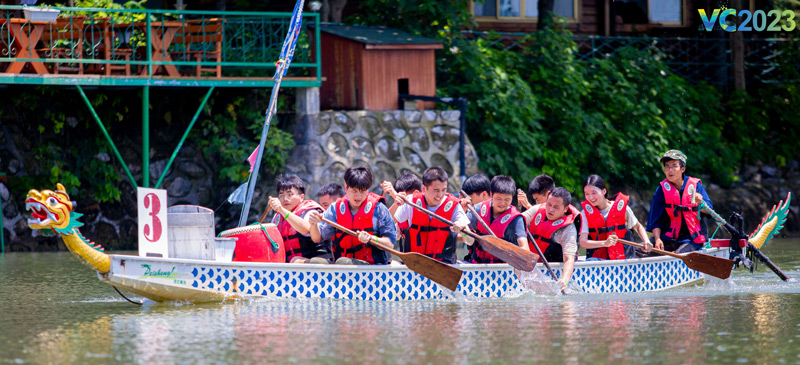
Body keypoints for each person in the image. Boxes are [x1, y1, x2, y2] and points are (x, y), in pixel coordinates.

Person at [309, 166, 397, 265]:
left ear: (368, 189)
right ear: (346, 187)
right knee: (315, 262)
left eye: (362, 191)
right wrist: (313, 224)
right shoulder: (335, 209)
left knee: (343, 262)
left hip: (372, 268)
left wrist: (372, 238)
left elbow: (389, 244)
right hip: (343, 265)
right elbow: (317, 238)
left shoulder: (379, 209)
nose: (358, 196)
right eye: (354, 191)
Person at [391, 167, 469, 263]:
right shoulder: (411, 201)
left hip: (443, 266)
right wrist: (395, 205)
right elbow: (388, 224)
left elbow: (470, 241)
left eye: (444, 190)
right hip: (414, 265)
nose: (440, 195)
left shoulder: (454, 206)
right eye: (436, 190)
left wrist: (463, 230)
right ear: (423, 188)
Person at [646, 149, 713, 253]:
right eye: (667, 166)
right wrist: (657, 239)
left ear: (682, 169)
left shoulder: (696, 186)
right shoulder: (661, 189)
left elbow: (710, 211)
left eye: (674, 166)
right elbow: (655, 220)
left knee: (680, 253)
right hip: (667, 239)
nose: (670, 170)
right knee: (643, 249)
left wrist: (700, 202)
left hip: (691, 240)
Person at [578, 174, 652, 261]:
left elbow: (638, 227)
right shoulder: (585, 213)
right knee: (590, 261)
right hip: (599, 261)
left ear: (604, 191)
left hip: (624, 259)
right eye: (587, 194)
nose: (590, 197)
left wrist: (646, 240)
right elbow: (583, 243)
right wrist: (604, 243)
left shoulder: (621, 208)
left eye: (594, 193)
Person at [267, 175, 333, 264]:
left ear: (301, 197)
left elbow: (306, 229)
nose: (285, 199)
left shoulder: (310, 210)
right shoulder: (277, 216)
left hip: (317, 261)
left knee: (296, 261)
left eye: (290, 195)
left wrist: (282, 210)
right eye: (281, 195)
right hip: (291, 263)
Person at [464, 175, 529, 263]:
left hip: (503, 268)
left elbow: (524, 248)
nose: (502, 203)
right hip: (477, 266)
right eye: (498, 198)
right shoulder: (477, 210)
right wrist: (463, 231)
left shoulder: (516, 219)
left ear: (512, 198)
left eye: (507, 200)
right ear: (491, 194)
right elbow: (466, 237)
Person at [525, 187, 578, 290]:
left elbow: (568, 259)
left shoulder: (568, 229)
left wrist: (564, 280)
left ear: (565, 209)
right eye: (549, 204)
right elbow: (517, 221)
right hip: (530, 268)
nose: (550, 209)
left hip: (551, 272)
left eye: (556, 207)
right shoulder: (537, 210)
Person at [381, 173, 422, 252]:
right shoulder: (401, 219)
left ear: (416, 194)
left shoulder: (428, 206)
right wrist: (383, 195)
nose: (399, 200)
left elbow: (412, 205)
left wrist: (395, 195)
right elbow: (383, 223)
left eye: (402, 196)